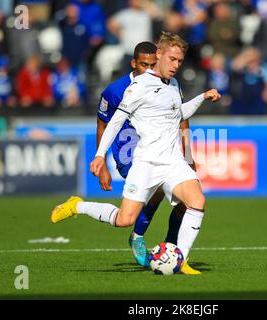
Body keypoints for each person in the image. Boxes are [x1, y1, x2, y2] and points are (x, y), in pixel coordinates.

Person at [51, 31, 221, 275]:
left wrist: (203, 97)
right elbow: (116, 120)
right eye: (172, 59)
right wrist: (100, 156)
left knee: (197, 201)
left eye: (180, 61)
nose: (176, 66)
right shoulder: (138, 86)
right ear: (159, 54)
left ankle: (180, 260)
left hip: (172, 163)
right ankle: (79, 206)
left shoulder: (173, 84)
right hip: (146, 163)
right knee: (124, 220)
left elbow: (179, 114)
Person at [95, 41, 197, 272]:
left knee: (185, 201)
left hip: (162, 151)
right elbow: (103, 124)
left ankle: (173, 250)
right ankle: (138, 236)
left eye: (153, 64)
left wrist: (188, 154)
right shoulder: (115, 90)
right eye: (143, 64)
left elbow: (180, 116)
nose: (149, 69)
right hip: (129, 152)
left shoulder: (168, 83)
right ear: (133, 63)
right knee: (158, 191)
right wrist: (101, 162)